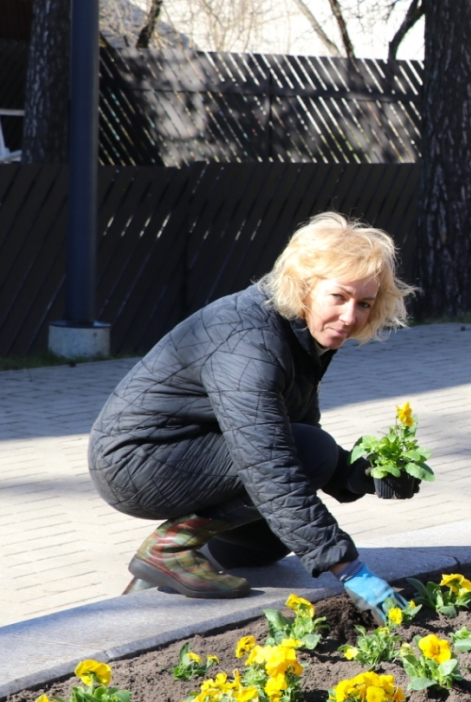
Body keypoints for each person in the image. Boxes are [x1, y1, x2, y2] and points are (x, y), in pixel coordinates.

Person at [88, 212, 415, 619]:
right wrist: (349, 570)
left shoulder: (297, 332)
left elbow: (292, 429)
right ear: (305, 288)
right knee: (306, 456)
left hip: (184, 450)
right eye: (339, 297)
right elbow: (271, 462)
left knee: (264, 544)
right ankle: (169, 548)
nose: (351, 317)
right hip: (139, 462)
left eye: (364, 303)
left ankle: (156, 581)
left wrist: (357, 475)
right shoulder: (250, 341)